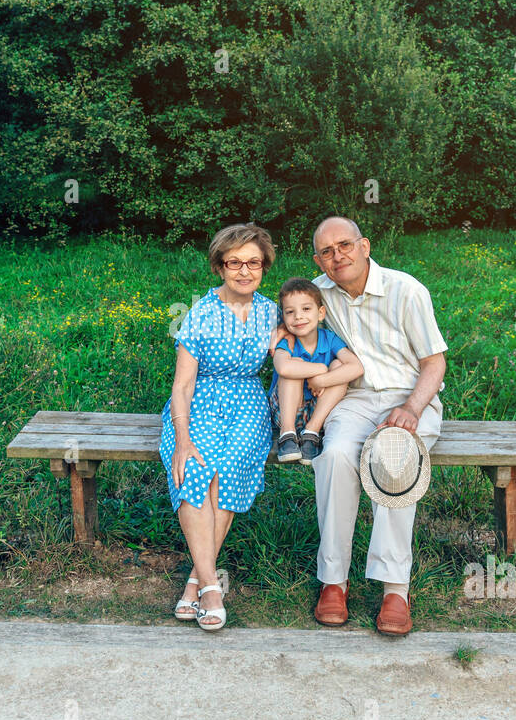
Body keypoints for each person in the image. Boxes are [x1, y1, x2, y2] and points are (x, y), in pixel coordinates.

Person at [289, 216, 448, 637]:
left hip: (410, 396)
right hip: (353, 398)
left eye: (344, 245)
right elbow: (286, 329)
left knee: (393, 459)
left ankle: (395, 588)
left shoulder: (406, 290)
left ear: (364, 246)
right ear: (317, 260)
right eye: (326, 251)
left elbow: (434, 362)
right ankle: (333, 581)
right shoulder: (318, 295)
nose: (337, 256)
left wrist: (413, 407)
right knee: (337, 455)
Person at [159, 223, 281, 631]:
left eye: (253, 263)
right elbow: (183, 384)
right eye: (234, 263)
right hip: (199, 402)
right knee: (193, 468)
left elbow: (300, 355)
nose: (244, 271)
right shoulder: (201, 312)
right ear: (219, 266)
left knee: (229, 468)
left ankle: (196, 581)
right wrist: (181, 440)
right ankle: (211, 586)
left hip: (248, 403)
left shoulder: (270, 311)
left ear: (264, 266)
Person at [268, 278, 363, 465]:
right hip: (287, 410)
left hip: (319, 411)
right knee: (293, 365)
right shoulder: (287, 342)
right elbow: (283, 367)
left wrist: (322, 380)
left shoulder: (329, 338)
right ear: (283, 318)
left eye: (306, 309)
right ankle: (287, 435)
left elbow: (356, 367)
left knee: (339, 366)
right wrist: (320, 368)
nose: (298, 317)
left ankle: (311, 433)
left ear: (320, 313)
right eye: (290, 312)